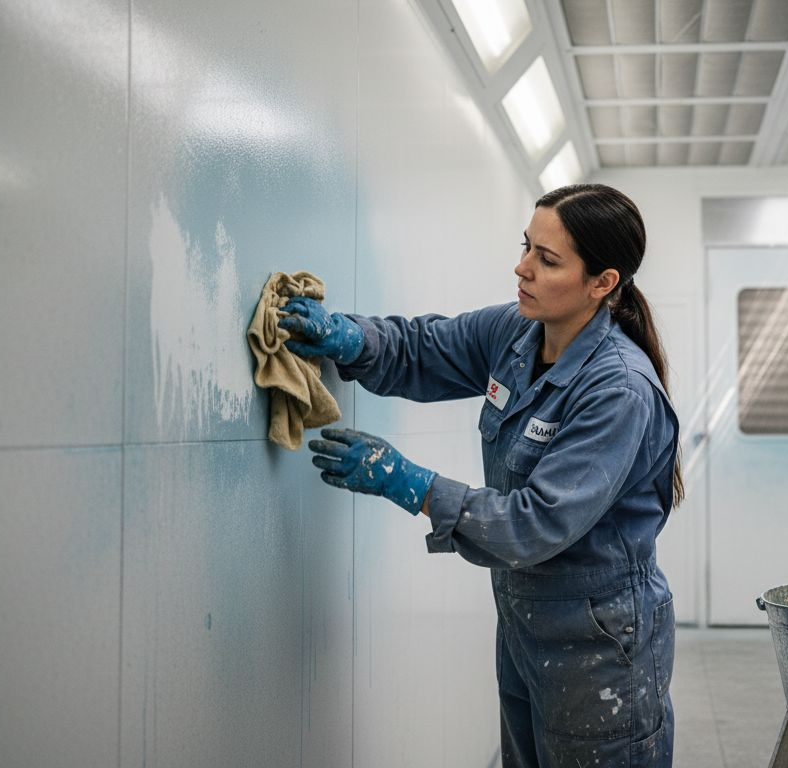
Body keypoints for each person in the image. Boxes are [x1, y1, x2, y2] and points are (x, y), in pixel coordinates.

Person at [278, 183, 682, 767]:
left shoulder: (617, 388)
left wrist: (408, 482)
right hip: (526, 624)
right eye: (526, 246)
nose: (521, 268)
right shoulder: (517, 333)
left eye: (547, 260)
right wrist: (349, 336)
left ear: (604, 282)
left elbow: (534, 524)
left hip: (601, 645)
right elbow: (421, 349)